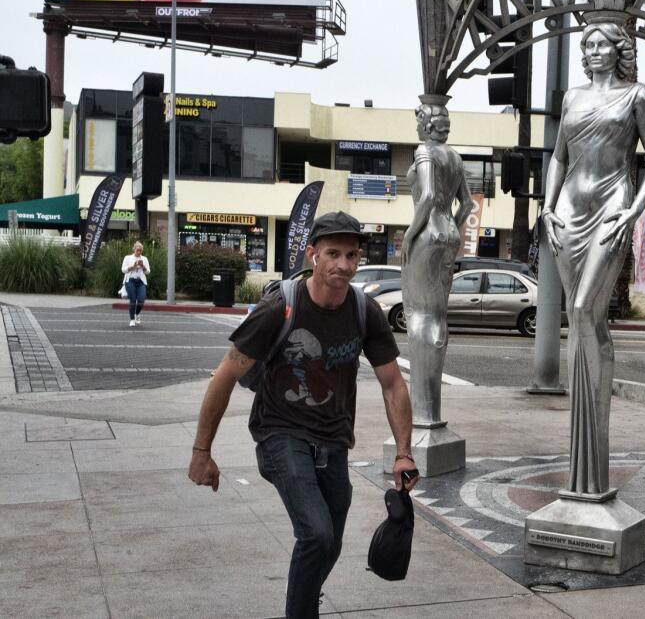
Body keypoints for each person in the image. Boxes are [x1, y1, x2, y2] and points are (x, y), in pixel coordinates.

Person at [187, 211, 418, 619]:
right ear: (313, 255)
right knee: (315, 533)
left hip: (333, 440)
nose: (343, 265)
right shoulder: (282, 307)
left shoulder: (365, 312)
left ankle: (304, 598)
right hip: (280, 433)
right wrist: (201, 450)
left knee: (331, 541)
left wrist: (404, 452)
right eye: (333, 254)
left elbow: (393, 385)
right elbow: (224, 377)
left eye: (351, 255)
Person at [541, 18, 645, 495]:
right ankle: (584, 457)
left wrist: (635, 209)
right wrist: (547, 206)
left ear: (619, 50)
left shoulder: (637, 96)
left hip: (613, 206)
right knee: (584, 320)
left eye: (602, 44)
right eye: (587, 44)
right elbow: (558, 157)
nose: (593, 51)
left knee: (582, 309)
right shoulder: (572, 98)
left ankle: (594, 441)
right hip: (569, 210)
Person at [400, 95, 472, 424]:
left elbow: (427, 196)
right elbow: (467, 205)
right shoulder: (455, 156)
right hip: (447, 235)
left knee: (418, 318)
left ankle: (423, 413)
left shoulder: (425, 151)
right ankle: (431, 410)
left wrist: (411, 235)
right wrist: (450, 232)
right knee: (437, 317)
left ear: (427, 124)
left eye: (419, 120)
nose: (416, 125)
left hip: (427, 235)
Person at [121, 241, 150, 327]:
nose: (139, 252)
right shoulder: (128, 258)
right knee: (133, 300)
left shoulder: (144, 259)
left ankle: (137, 314)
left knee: (141, 300)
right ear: (134, 249)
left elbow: (148, 271)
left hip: (141, 282)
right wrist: (132, 266)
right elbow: (123, 270)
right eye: (137, 250)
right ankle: (132, 319)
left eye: (140, 251)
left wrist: (143, 266)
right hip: (130, 281)